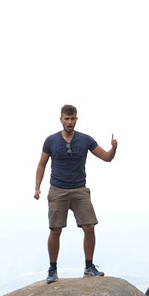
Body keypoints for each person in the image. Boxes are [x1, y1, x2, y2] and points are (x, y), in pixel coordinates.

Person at [34, 104, 117, 283]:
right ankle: (52, 269)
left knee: (89, 227)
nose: (69, 122)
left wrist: (114, 148)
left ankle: (89, 267)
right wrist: (37, 187)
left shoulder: (85, 140)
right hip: (57, 190)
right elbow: (42, 164)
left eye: (72, 119)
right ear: (61, 120)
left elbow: (106, 157)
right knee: (55, 229)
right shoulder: (51, 140)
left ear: (76, 119)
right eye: (66, 119)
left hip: (79, 189)